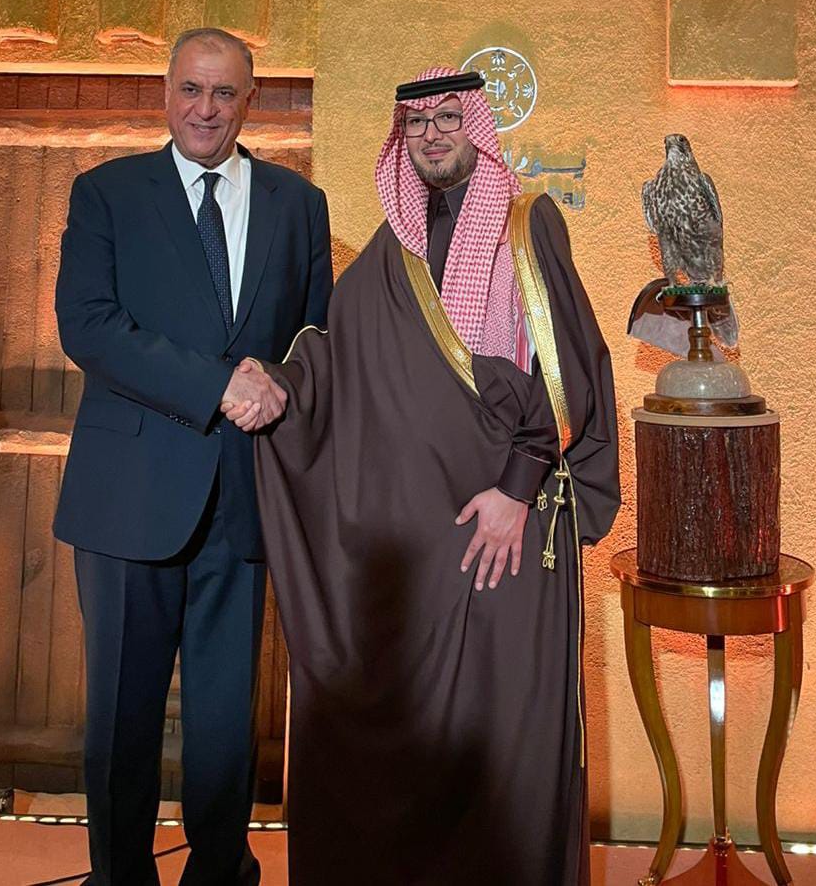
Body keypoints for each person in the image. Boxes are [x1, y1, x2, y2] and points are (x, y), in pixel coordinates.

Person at [227, 66, 620, 886]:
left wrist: (516, 489)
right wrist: (282, 384)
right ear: (400, 138)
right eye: (417, 123)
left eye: (448, 117)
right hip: (417, 546)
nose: (433, 134)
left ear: (475, 126)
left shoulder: (526, 225)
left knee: (500, 745)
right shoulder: (388, 253)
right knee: (406, 744)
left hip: (502, 537)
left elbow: (569, 372)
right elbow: (339, 363)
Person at [54, 27, 333, 886]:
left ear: (251, 98)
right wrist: (219, 384)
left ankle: (220, 873)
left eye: (222, 92)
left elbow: (317, 334)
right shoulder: (105, 193)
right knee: (121, 716)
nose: (204, 108)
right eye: (189, 89)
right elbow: (88, 326)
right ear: (165, 91)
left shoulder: (299, 203)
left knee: (224, 721)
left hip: (245, 496)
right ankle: (119, 876)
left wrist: (279, 382)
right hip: (127, 496)